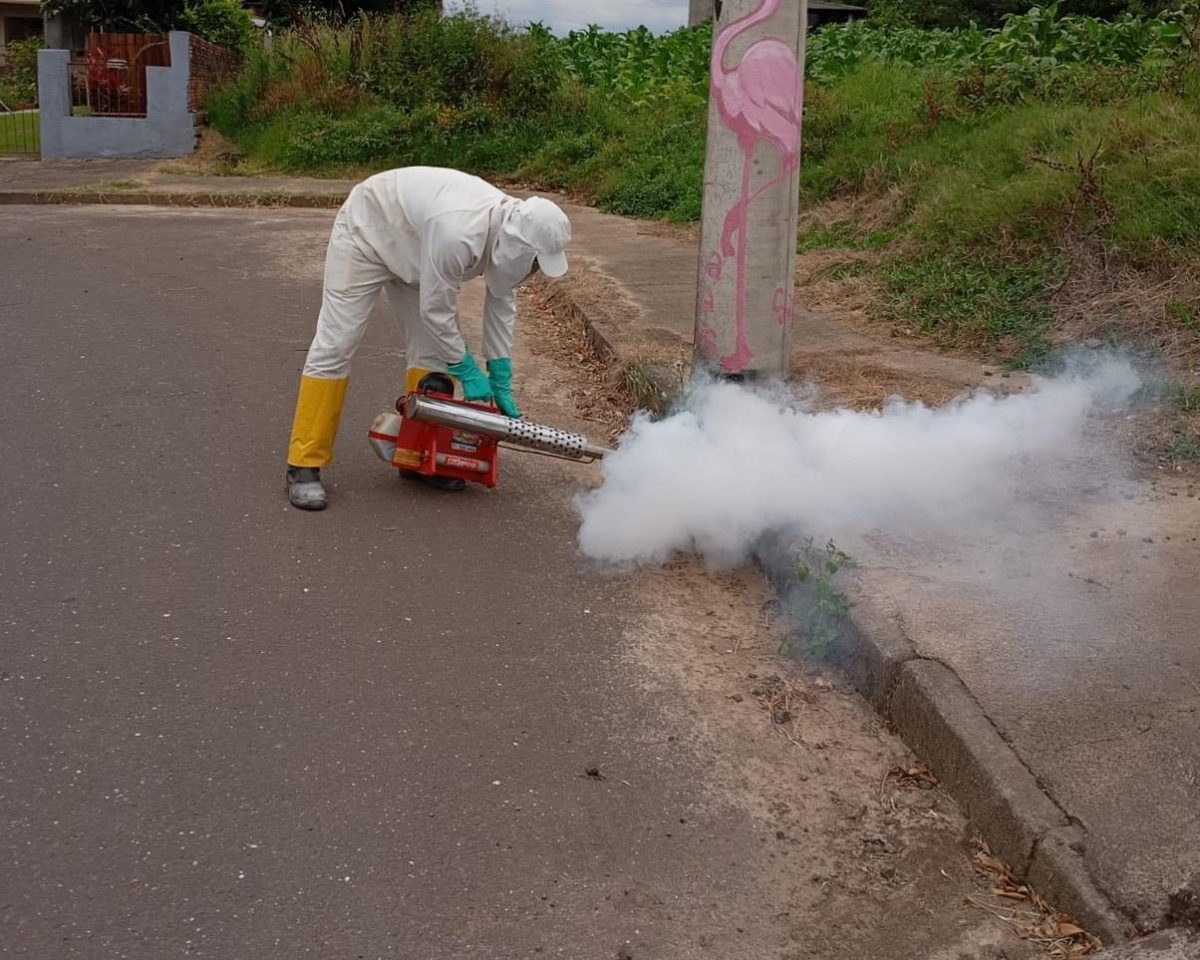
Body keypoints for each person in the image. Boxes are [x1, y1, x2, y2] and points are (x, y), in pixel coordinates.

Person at [284, 166, 571, 510]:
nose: (535, 270)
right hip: (368, 232)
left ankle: (416, 455)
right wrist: (467, 369)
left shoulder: (509, 230)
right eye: (536, 262)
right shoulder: (460, 232)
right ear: (521, 248)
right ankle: (303, 463)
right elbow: (437, 311)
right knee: (336, 344)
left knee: (432, 356)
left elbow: (501, 299)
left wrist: (501, 372)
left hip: (418, 248)